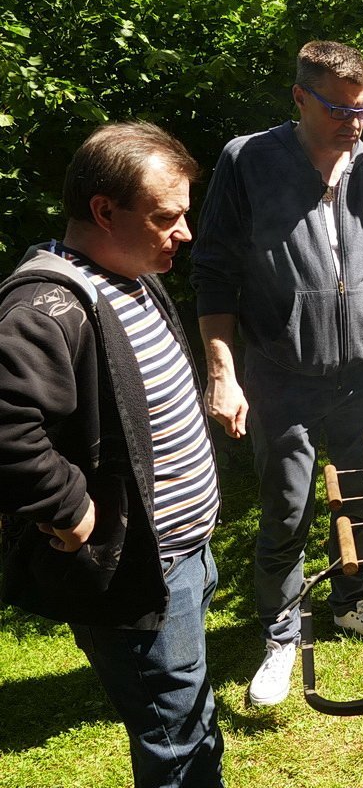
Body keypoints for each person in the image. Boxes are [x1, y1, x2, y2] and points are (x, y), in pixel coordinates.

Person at [191, 40, 363, 707]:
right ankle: (280, 634)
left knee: (360, 500)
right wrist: (222, 373)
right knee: (287, 507)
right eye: (339, 110)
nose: (355, 124)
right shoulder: (249, 160)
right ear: (299, 98)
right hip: (281, 376)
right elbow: (213, 270)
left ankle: (352, 601)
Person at [0, 122, 224, 785]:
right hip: (139, 574)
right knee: (177, 743)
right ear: (104, 210)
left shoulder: (128, 271)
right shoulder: (45, 306)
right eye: (166, 217)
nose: (184, 233)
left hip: (188, 555)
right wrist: (71, 512)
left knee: (189, 719)